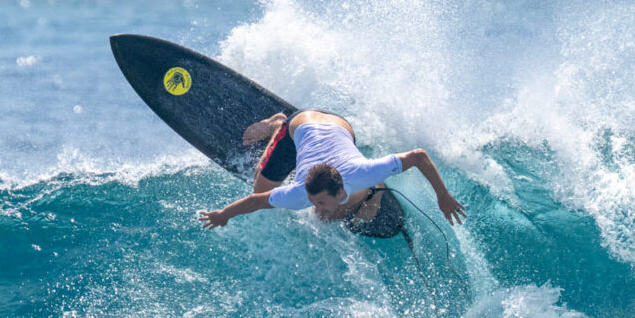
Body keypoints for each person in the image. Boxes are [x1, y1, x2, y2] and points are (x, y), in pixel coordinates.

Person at [197, 109, 465, 229]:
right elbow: (256, 199)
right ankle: (277, 124)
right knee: (259, 183)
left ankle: (378, 189)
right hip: (298, 127)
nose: (316, 207)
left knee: (333, 215)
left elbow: (418, 156)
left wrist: (443, 195)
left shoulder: (362, 173)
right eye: (314, 202)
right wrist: (224, 214)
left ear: (340, 189)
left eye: (321, 201)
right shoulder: (297, 194)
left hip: (339, 125)